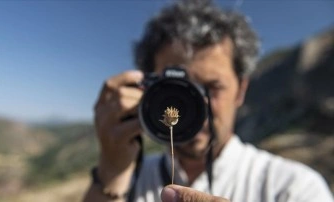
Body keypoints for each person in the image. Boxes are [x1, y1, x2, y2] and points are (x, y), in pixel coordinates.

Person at [83, 0, 334, 201]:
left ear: (240, 91)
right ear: (147, 92)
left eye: (212, 87)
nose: (195, 105)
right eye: (175, 90)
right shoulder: (130, 176)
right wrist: (112, 171)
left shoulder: (293, 189)